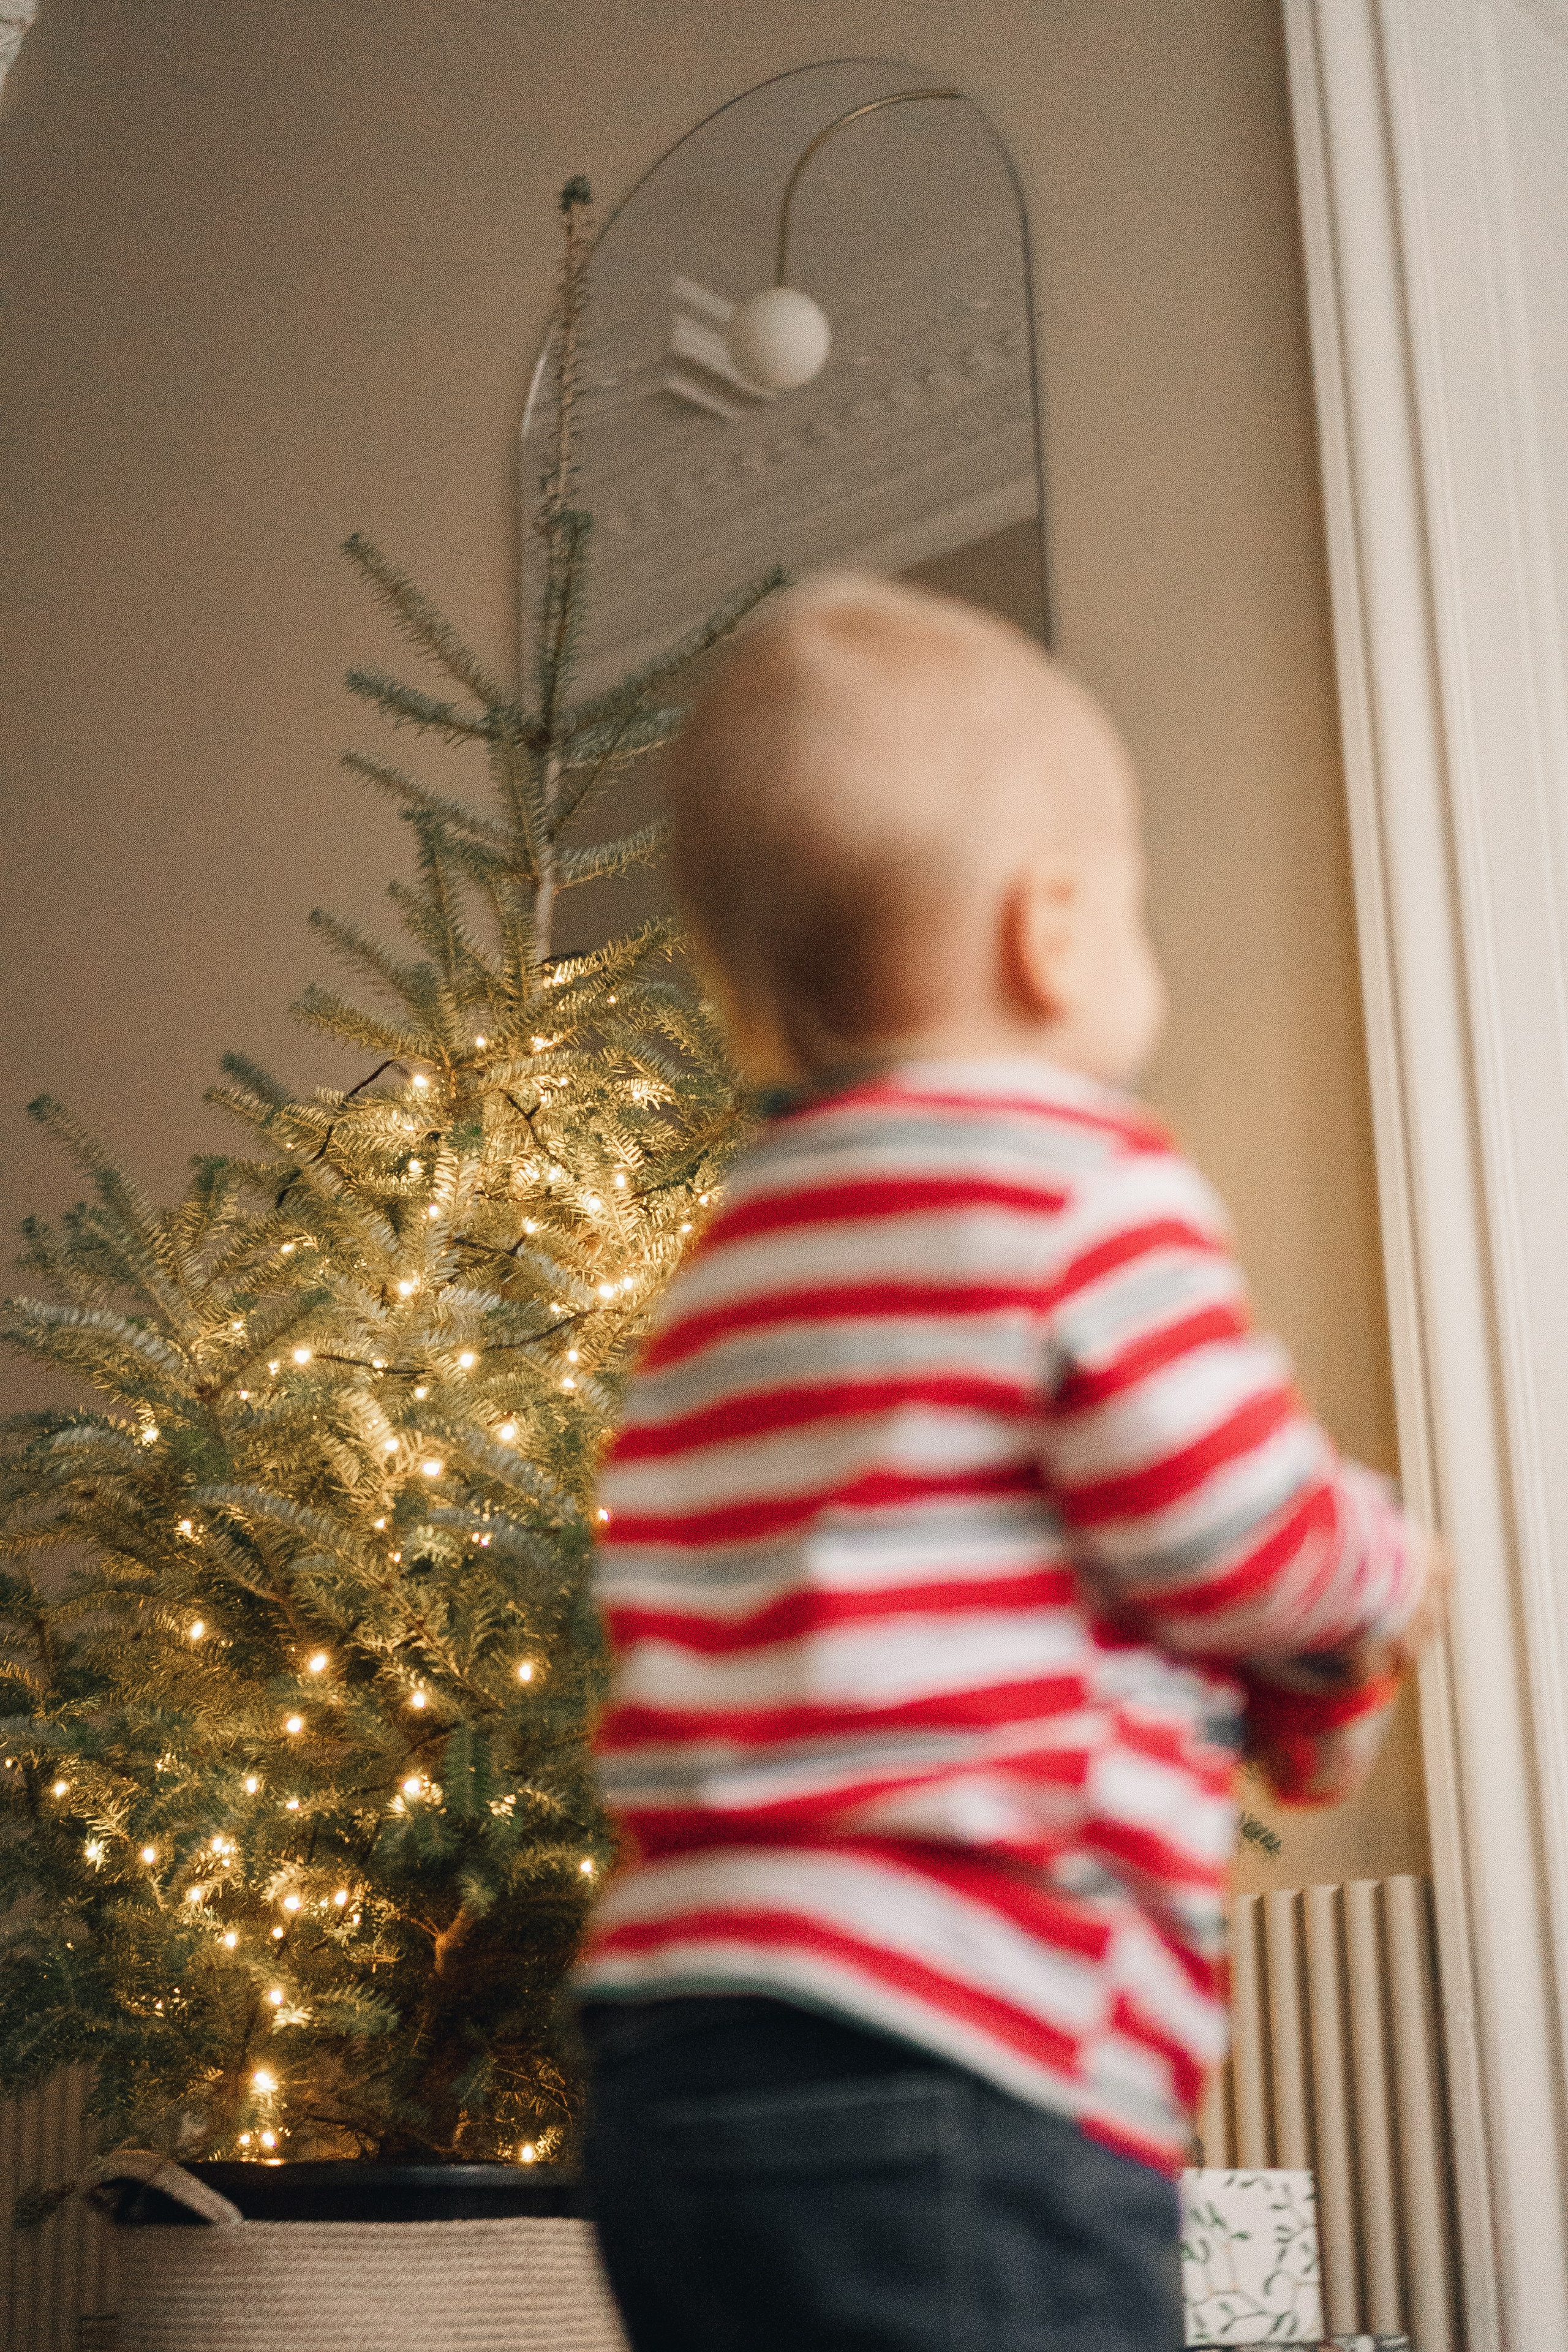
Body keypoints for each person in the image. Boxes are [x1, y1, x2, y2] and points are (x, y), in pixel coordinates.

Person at [573, 574, 1447, 2351]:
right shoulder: (1083, 1181)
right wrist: (1378, 1569)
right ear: (1053, 930)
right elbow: (1228, 1523)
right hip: (969, 2046)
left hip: (672, 2059)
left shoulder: (731, 1265)